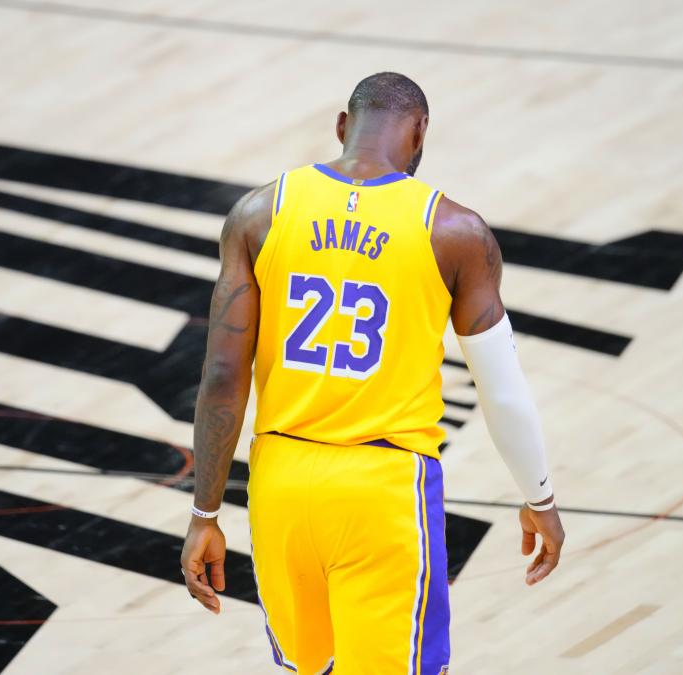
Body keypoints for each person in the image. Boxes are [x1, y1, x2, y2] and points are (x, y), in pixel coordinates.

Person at [181, 72, 565, 674]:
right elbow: (502, 388)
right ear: (420, 135)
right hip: (382, 492)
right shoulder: (456, 231)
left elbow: (222, 375)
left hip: (280, 486)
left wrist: (204, 514)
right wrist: (538, 496)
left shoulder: (259, 212)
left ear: (342, 125)